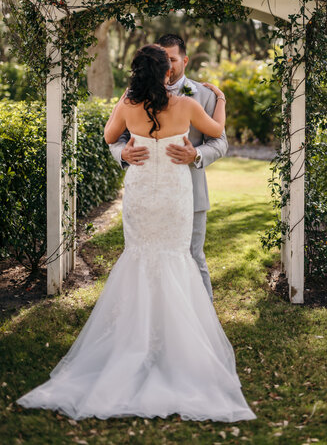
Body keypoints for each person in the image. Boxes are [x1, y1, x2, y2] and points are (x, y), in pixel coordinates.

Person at [15, 44, 256, 422]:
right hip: (175, 197)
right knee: (177, 259)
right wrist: (220, 98)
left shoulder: (127, 106)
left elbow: (111, 137)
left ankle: (135, 342)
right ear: (165, 74)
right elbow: (218, 130)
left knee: (141, 258)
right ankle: (177, 348)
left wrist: (126, 150)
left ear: (137, 75)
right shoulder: (188, 107)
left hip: (142, 196)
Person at [108, 34, 228, 302]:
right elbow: (115, 141)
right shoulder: (133, 98)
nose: (170, 66)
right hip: (152, 191)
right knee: (148, 256)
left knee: (192, 258)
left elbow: (220, 142)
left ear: (184, 60)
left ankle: (201, 321)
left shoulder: (204, 95)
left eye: (173, 59)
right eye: (165, 61)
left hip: (188, 193)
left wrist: (195, 153)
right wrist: (123, 153)